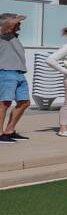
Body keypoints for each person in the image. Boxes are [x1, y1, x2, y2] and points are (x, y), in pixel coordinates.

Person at [0, 11, 29, 143]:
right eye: (18, 22)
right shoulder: (3, 33)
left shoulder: (13, 36)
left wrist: (16, 19)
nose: (20, 24)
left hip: (19, 73)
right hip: (6, 72)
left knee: (24, 103)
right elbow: (7, 24)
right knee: (4, 103)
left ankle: (9, 131)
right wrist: (18, 17)